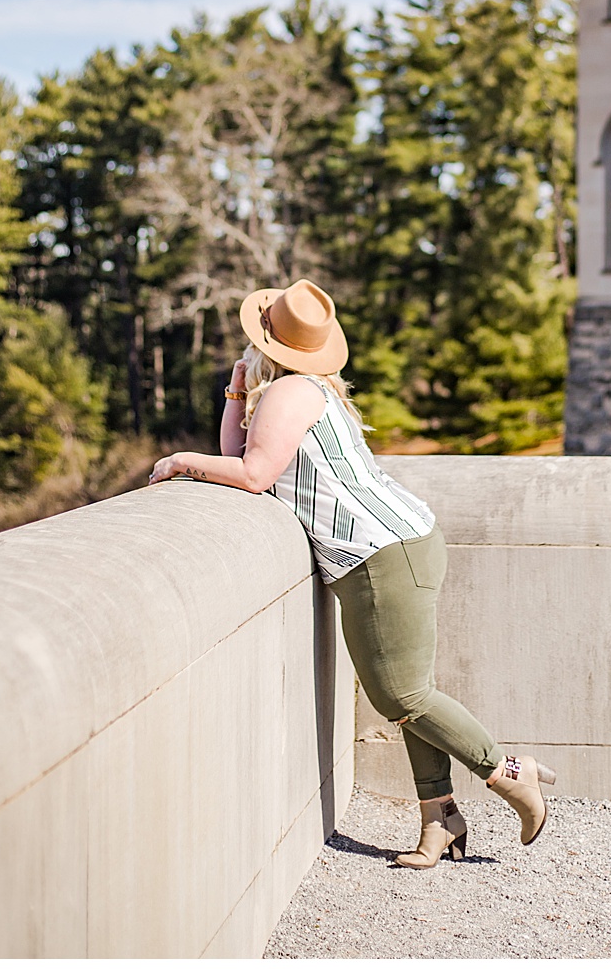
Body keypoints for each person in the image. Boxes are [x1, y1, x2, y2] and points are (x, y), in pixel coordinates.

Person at [147, 277, 556, 869]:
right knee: (413, 693)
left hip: (381, 554)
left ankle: (511, 774)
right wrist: (236, 393)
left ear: (263, 342)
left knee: (403, 693)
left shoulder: (288, 394)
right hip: (397, 544)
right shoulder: (302, 390)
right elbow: (241, 454)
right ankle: (439, 820)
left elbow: (254, 473)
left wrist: (183, 460)